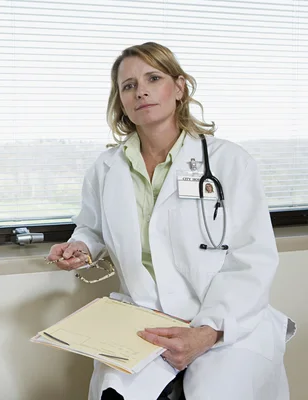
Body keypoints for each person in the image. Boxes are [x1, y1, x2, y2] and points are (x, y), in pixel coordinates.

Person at [47, 42, 294, 400]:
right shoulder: (106, 169)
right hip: (143, 317)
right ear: (121, 100)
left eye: (153, 78)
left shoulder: (231, 162)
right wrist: (81, 247)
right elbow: (92, 226)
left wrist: (208, 331)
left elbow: (252, 259)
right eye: (128, 85)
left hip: (224, 320)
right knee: (116, 394)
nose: (141, 90)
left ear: (178, 88)